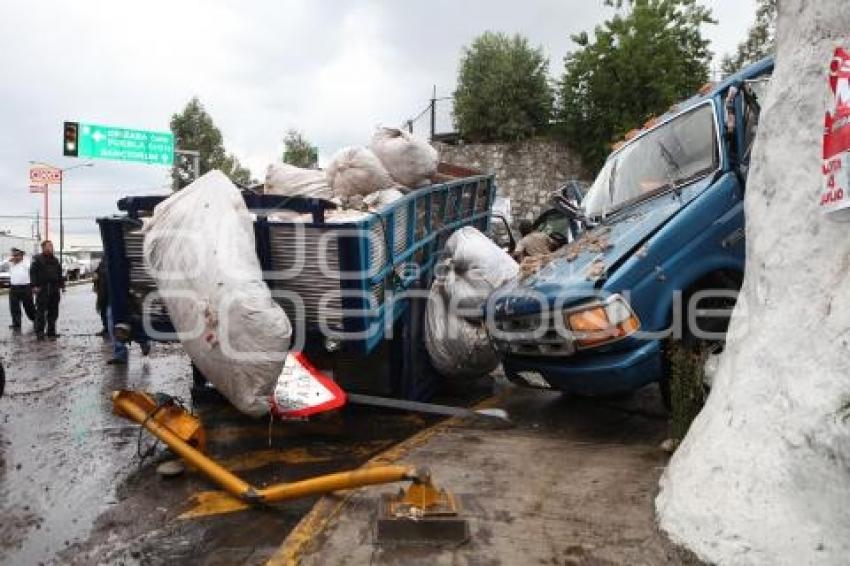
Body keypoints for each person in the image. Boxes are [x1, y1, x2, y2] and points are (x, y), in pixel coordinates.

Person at [30, 240, 64, 340]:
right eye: (49, 246)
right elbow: (33, 273)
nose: (51, 248)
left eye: (51, 246)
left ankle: (51, 332)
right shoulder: (37, 259)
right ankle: (40, 332)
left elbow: (59, 272)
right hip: (43, 288)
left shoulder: (55, 260)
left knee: (54, 311)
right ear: (43, 248)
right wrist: (34, 286)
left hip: (54, 288)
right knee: (41, 312)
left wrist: (61, 284)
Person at [3, 248, 35, 330]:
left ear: (22, 255)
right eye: (14, 255)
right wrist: (9, 260)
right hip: (14, 288)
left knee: (29, 307)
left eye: (17, 255)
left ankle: (36, 320)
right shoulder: (11, 264)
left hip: (25, 288)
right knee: (14, 307)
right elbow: (2, 264)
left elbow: (31, 269)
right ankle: (16, 324)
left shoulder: (26, 263)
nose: (15, 257)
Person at [92, 260, 109, 337]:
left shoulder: (113, 260)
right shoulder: (103, 261)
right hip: (102, 291)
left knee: (109, 312)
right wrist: (95, 276)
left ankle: (110, 329)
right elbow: (97, 272)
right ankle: (106, 328)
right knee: (103, 310)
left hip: (109, 291)